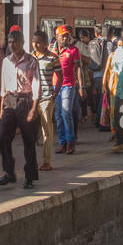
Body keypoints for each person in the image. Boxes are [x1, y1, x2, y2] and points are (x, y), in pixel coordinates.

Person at [0, 28, 41, 188]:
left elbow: (36, 84)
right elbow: (3, 85)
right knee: (3, 138)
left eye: (15, 41)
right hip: (9, 101)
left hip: (26, 101)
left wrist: (34, 108)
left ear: (22, 43)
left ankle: (30, 176)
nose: (12, 44)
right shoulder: (6, 61)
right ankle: (9, 172)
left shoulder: (31, 61)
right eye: (9, 42)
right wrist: (2, 108)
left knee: (29, 140)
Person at [54, 25, 85, 154]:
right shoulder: (52, 50)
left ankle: (71, 142)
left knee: (66, 113)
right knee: (58, 116)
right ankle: (62, 142)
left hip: (68, 85)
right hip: (55, 87)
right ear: (57, 36)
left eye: (67, 35)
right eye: (63, 35)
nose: (66, 38)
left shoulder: (73, 50)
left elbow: (78, 68)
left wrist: (81, 86)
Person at [31, 30, 58, 171]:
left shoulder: (53, 58)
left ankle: (46, 161)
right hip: (32, 99)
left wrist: (55, 93)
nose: (35, 44)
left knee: (46, 129)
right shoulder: (30, 57)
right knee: (30, 130)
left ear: (45, 43)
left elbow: (60, 75)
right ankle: (32, 160)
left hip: (47, 98)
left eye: (38, 42)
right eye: (34, 41)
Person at [85, 25, 109, 129]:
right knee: (103, 100)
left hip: (94, 75)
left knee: (98, 99)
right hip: (104, 76)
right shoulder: (107, 43)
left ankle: (98, 120)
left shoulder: (92, 43)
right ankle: (101, 121)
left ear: (95, 33)